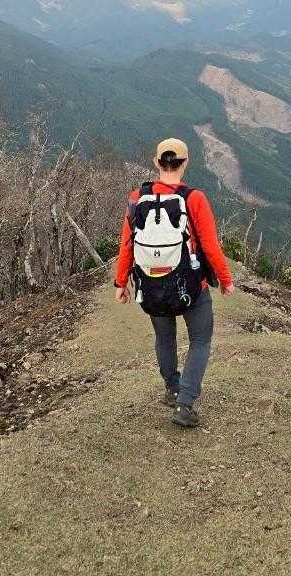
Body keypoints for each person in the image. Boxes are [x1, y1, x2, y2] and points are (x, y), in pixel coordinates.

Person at [115, 137, 235, 428]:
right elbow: (210, 245)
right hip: (191, 286)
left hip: (152, 284)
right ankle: (185, 403)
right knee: (200, 340)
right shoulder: (194, 198)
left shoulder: (136, 198)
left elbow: (127, 244)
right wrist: (225, 279)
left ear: (157, 163)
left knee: (165, 338)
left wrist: (121, 282)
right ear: (185, 163)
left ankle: (172, 389)